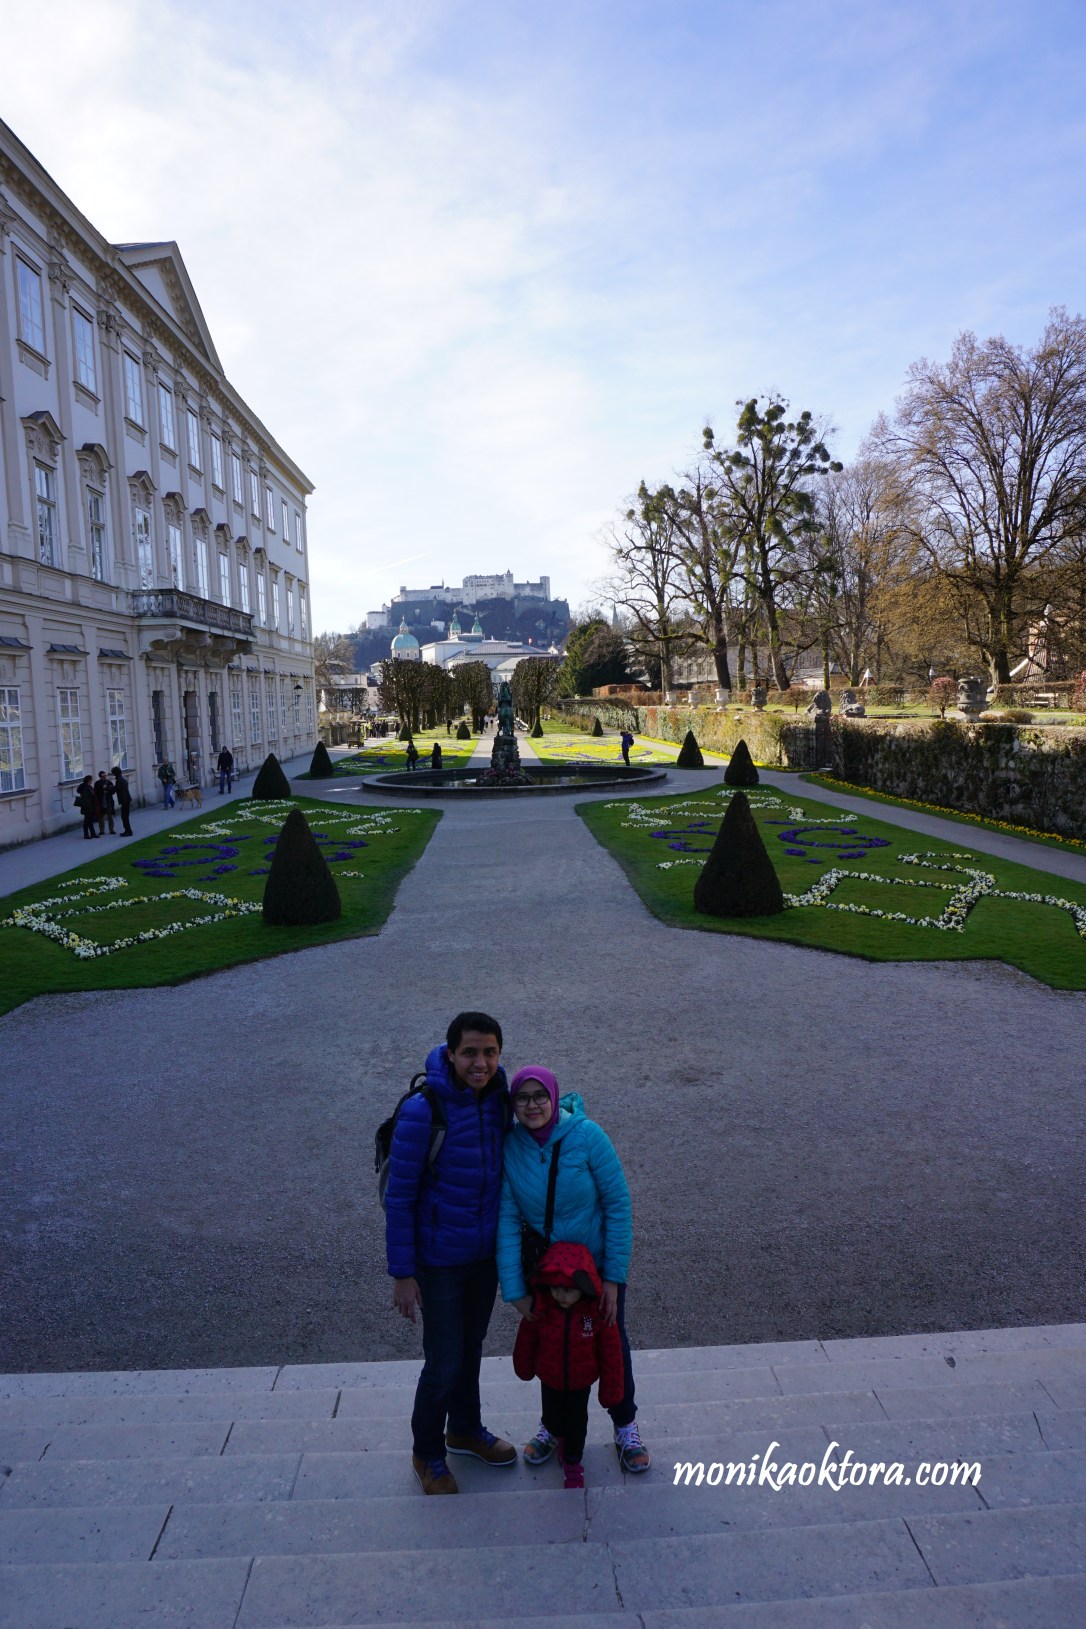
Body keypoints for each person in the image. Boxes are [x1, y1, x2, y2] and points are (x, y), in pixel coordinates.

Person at [386, 1012, 516, 1495]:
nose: (479, 1063)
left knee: (471, 1348)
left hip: (481, 1256)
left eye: (489, 1052)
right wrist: (402, 1272)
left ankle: (463, 1428)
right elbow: (399, 1196)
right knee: (442, 1360)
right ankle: (427, 1453)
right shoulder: (424, 1110)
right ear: (450, 1053)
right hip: (438, 1262)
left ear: (499, 1054)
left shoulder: (500, 1100)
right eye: (469, 1053)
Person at [497, 1066, 649, 1473]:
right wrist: (514, 1289)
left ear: (553, 1096)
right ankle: (553, 1425)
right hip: (549, 1276)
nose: (532, 1105)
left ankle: (625, 1425)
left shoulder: (588, 1136)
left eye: (539, 1096)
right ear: (513, 1105)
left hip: (594, 1271)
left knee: (612, 1345)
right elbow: (508, 1219)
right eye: (522, 1098)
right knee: (552, 1347)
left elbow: (618, 1204)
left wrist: (614, 1278)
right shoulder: (512, 1146)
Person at [512, 1241, 624, 1489]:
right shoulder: (543, 1308)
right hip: (549, 1376)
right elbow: (527, 1338)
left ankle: (573, 1460)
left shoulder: (595, 1313)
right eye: (555, 1288)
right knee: (551, 1416)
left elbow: (611, 1353)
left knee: (576, 1424)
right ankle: (553, 1434)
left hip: (579, 1382)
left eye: (568, 1290)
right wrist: (524, 1366)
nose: (560, 1295)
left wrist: (611, 1389)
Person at [112, 765, 133, 836]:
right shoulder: (122, 779)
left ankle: (128, 831)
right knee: (125, 817)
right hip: (126, 799)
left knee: (124, 817)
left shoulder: (119, 780)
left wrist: (108, 788)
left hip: (125, 800)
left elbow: (115, 789)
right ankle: (128, 830)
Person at [75, 775, 98, 839]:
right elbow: (86, 799)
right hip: (88, 808)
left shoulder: (89, 787)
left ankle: (93, 834)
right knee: (87, 822)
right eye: (91, 780)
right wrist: (90, 806)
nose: (91, 781)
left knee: (90, 821)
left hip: (91, 807)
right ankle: (86, 835)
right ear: (88, 781)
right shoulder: (85, 788)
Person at [95, 771, 116, 835]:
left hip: (108, 802)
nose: (104, 777)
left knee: (110, 817)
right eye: (103, 776)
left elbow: (113, 791)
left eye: (105, 775)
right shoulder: (97, 783)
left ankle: (111, 830)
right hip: (101, 802)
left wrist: (108, 791)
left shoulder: (109, 782)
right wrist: (102, 792)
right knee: (101, 818)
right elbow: (96, 792)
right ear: (100, 777)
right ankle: (102, 830)